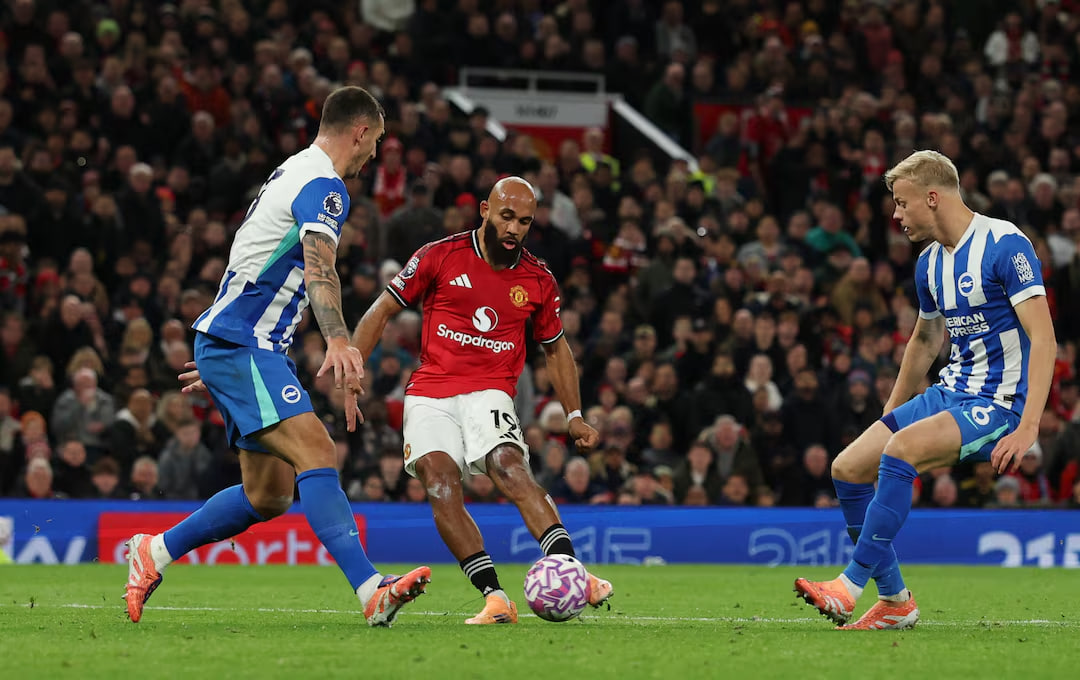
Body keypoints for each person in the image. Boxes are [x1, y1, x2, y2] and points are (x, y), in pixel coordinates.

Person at [125, 86, 430, 628]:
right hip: (244, 344)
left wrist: (221, 354)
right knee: (317, 447)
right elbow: (320, 269)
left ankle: (155, 552)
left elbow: (252, 257)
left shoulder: (293, 170)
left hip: (241, 344)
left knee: (268, 495)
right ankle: (370, 590)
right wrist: (337, 338)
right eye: (377, 140)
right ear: (359, 131)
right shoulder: (324, 185)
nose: (375, 153)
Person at [794, 150, 1055, 629]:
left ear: (932, 198)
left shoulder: (1004, 244)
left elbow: (1044, 338)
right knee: (848, 468)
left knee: (902, 451)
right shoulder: (929, 263)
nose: (896, 215)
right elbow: (925, 340)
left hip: (997, 404)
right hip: (951, 391)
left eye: (901, 203)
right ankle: (896, 601)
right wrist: (890, 412)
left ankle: (848, 586)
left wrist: (1028, 428)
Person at [347, 176, 614, 624]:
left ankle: (571, 571)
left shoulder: (537, 279)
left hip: (489, 390)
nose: (514, 228)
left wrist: (574, 414)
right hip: (431, 391)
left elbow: (555, 346)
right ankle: (495, 597)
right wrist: (353, 372)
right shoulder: (439, 255)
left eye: (524, 221)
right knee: (440, 482)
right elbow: (382, 309)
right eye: (507, 216)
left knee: (509, 467)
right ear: (486, 210)